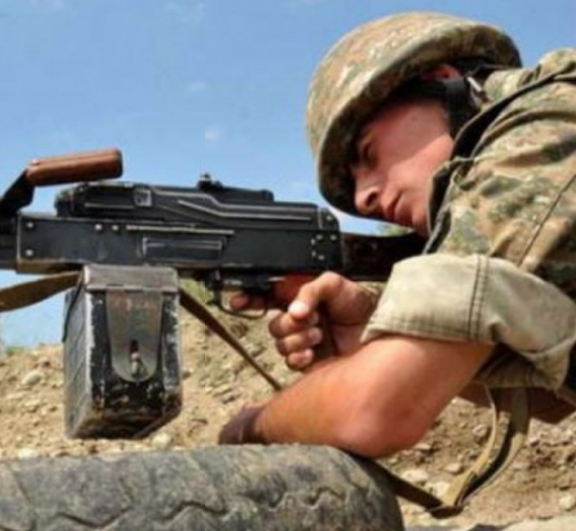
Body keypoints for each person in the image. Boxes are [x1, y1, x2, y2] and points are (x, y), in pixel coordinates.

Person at [218, 11, 576, 460]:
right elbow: (551, 398)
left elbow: (373, 412)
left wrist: (250, 427)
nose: (363, 198)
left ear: (441, 80)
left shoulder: (544, 131)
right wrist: (377, 322)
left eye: (368, 153)